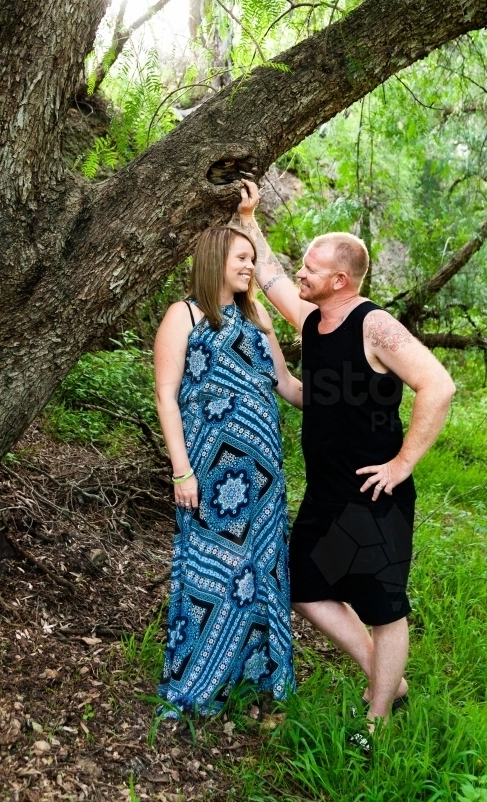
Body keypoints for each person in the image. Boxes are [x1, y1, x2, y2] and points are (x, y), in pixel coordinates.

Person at [233, 181, 456, 724]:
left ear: (340, 279)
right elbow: (270, 277)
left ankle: (378, 720)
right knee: (306, 587)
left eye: (311, 267)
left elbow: (439, 385)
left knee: (384, 607)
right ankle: (388, 676)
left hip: (375, 493)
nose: (301, 273)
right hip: (328, 491)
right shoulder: (313, 321)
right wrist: (247, 216)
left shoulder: (374, 324)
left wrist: (402, 465)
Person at [153, 225, 302, 716]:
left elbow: (287, 386)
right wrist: (181, 470)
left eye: (252, 259)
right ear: (215, 257)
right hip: (211, 475)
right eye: (241, 257)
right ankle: (198, 683)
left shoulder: (257, 317)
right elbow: (166, 397)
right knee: (213, 574)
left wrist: (350, 388)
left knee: (261, 573)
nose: (249, 267)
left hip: (262, 476)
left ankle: (255, 680)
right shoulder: (185, 315)